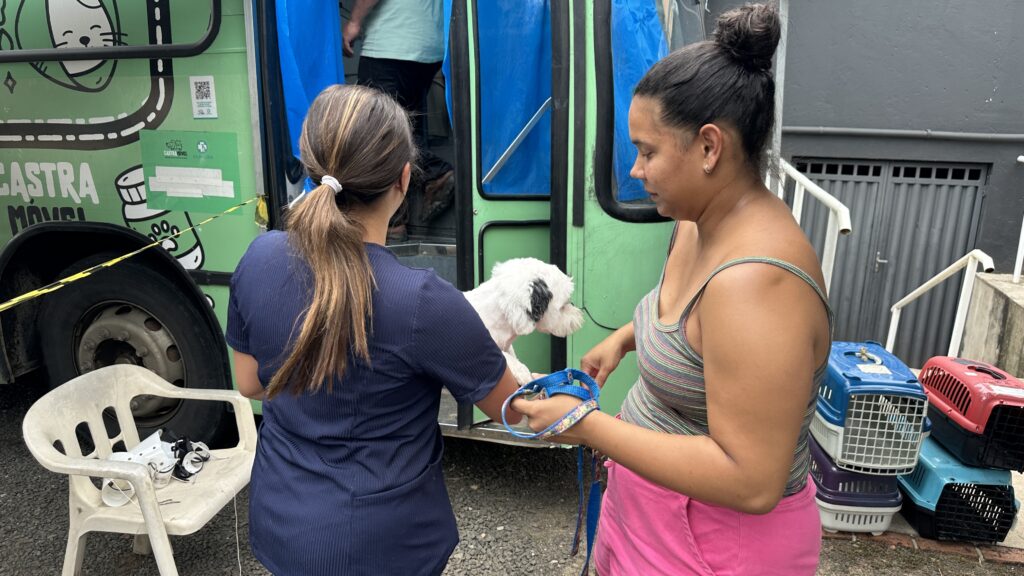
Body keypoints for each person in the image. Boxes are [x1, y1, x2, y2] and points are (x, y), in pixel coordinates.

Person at [511, 4, 832, 575]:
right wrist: (629, 339)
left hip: (715, 545)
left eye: (648, 151)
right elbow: (693, 328)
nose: (636, 170)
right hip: (652, 517)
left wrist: (584, 425)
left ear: (710, 148)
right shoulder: (695, 219)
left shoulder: (758, 284)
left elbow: (752, 480)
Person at [226, 84, 521, 576]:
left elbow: (251, 383)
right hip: (385, 548)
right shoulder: (423, 302)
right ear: (404, 180)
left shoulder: (259, 256)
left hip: (285, 528)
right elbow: (516, 409)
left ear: (309, 165)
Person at [342, 0, 455, 242]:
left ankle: (434, 172)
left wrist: (354, 22)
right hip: (429, 48)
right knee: (403, 126)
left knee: (375, 134)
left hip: (389, 45)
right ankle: (395, 223)